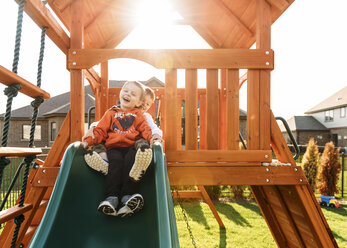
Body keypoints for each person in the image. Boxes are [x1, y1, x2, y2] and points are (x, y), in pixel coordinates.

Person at [81, 81, 153, 218]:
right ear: (120, 93)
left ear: (139, 103)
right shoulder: (111, 113)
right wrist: (87, 142)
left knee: (131, 164)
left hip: (131, 147)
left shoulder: (138, 115)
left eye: (133, 94)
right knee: (116, 163)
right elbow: (100, 131)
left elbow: (145, 130)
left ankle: (127, 196)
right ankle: (111, 198)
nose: (127, 94)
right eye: (125, 91)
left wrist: (153, 141)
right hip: (113, 148)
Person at [83, 86, 164, 179]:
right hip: (114, 144)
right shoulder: (117, 112)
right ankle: (103, 161)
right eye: (143, 101)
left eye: (148, 104)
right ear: (137, 100)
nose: (144, 105)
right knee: (98, 139)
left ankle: (141, 159)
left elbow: (154, 128)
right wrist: (92, 128)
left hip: (133, 145)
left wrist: (156, 135)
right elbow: (101, 123)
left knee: (142, 141)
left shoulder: (145, 116)